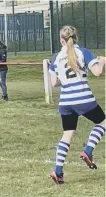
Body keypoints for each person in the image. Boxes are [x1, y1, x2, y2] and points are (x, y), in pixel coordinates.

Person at [47, 25, 105, 185]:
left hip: (66, 102)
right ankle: (88, 150)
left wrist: (65, 80)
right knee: (103, 123)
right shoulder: (83, 52)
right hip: (84, 98)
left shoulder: (55, 58)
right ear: (75, 38)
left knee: (68, 134)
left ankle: (58, 172)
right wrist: (102, 61)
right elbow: (97, 72)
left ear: (61, 41)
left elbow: (54, 83)